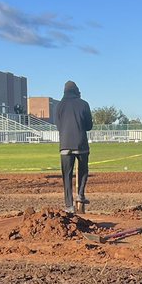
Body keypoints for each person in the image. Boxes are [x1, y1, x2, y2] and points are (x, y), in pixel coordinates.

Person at [56, 80, 92, 213]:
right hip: (81, 144)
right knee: (83, 170)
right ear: (77, 91)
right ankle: (80, 194)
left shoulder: (59, 105)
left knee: (67, 176)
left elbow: (58, 126)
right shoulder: (84, 104)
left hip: (65, 145)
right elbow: (89, 126)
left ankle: (69, 205)